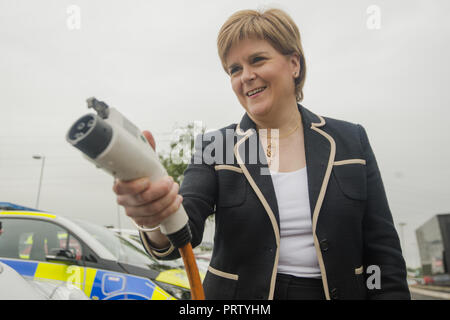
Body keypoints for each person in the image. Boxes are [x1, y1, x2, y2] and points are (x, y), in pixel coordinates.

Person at [113, 8, 410, 300]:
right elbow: (183, 231)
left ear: (294, 64)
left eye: (257, 60)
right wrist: (153, 216)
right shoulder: (216, 146)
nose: (246, 76)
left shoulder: (350, 139)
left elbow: (383, 251)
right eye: (235, 69)